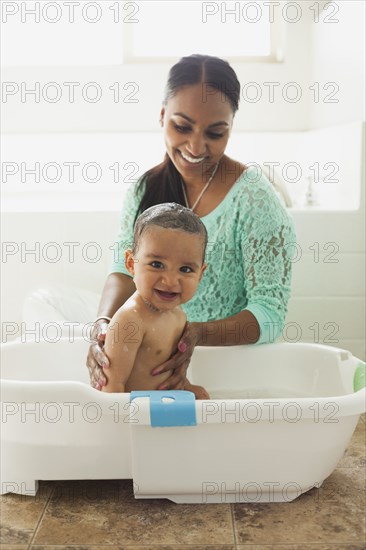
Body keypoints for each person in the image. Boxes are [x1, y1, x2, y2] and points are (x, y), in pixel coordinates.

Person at [87, 53, 296, 391]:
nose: (196, 146)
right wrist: (102, 326)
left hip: (226, 364)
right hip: (149, 355)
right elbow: (123, 269)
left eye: (215, 133)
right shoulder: (145, 189)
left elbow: (270, 316)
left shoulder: (256, 201)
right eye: (181, 127)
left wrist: (191, 334)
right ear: (161, 117)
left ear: (231, 128)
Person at [101, 202, 210, 399]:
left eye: (185, 269)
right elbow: (111, 388)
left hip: (159, 410)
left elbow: (169, 373)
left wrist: (186, 386)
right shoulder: (130, 320)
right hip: (136, 417)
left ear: (200, 274)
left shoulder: (178, 315)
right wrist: (119, 427)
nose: (170, 281)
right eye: (157, 264)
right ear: (130, 264)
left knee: (202, 396)